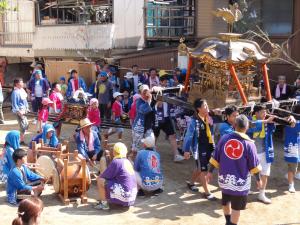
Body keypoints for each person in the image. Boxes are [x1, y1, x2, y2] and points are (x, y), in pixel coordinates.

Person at [207, 115, 262, 225]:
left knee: (225, 201)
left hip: (225, 180)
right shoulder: (249, 144)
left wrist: (209, 171)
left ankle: (228, 222)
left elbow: (215, 157)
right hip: (240, 183)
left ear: (234, 125)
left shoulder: (224, 139)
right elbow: (254, 165)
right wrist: (258, 179)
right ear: (247, 127)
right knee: (236, 208)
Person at [183, 98, 215, 200]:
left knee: (200, 167)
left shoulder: (208, 117)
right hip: (199, 148)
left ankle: (191, 183)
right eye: (204, 106)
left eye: (207, 105)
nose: (207, 107)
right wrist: (186, 150)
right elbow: (189, 136)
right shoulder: (194, 121)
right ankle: (207, 192)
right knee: (203, 169)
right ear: (198, 109)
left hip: (208, 145)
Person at [95, 142, 137, 210]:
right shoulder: (127, 161)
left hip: (126, 196)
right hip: (132, 197)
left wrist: (98, 177)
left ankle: (104, 204)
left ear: (114, 152)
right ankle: (120, 202)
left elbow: (104, 176)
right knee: (111, 181)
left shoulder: (117, 162)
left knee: (100, 180)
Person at [247, 105, 275, 204]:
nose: (265, 114)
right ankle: (245, 190)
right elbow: (251, 127)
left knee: (265, 173)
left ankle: (261, 194)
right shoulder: (249, 120)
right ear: (256, 113)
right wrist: (265, 122)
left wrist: (291, 119)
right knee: (247, 173)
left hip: (265, 151)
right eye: (263, 112)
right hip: (251, 152)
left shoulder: (268, 121)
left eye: (265, 112)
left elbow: (275, 127)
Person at [132, 85, 154, 151]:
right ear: (140, 93)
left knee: (150, 145)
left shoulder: (152, 100)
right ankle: (134, 160)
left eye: (147, 91)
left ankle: (147, 159)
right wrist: (149, 100)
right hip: (139, 126)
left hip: (148, 126)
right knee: (136, 147)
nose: (146, 94)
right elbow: (143, 110)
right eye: (144, 92)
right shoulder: (138, 101)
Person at [283, 104, 300, 192]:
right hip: (292, 148)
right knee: (292, 167)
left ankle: (295, 174)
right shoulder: (292, 122)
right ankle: (291, 184)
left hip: (297, 147)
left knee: (296, 166)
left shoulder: (294, 121)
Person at [11, 78, 29, 145]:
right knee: (23, 126)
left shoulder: (22, 90)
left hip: (24, 110)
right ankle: (21, 140)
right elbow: (14, 104)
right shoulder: (15, 92)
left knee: (26, 125)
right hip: (20, 111)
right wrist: (19, 112)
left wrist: (27, 108)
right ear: (17, 84)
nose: (22, 83)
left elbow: (25, 100)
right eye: (21, 82)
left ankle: (21, 139)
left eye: (22, 82)